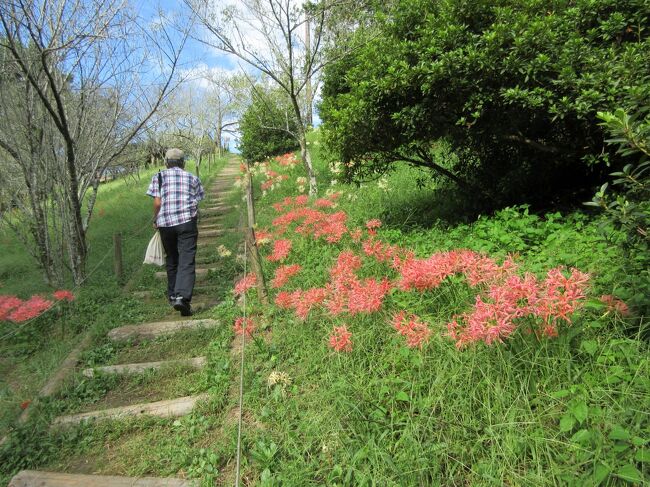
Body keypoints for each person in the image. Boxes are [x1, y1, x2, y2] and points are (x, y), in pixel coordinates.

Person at [146, 148, 204, 316]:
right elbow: (198, 198)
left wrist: (155, 219)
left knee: (172, 258)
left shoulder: (158, 177)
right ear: (183, 163)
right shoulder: (192, 177)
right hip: (186, 222)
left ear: (166, 163)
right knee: (186, 258)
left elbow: (157, 203)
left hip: (165, 224)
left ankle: (173, 295)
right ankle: (182, 298)